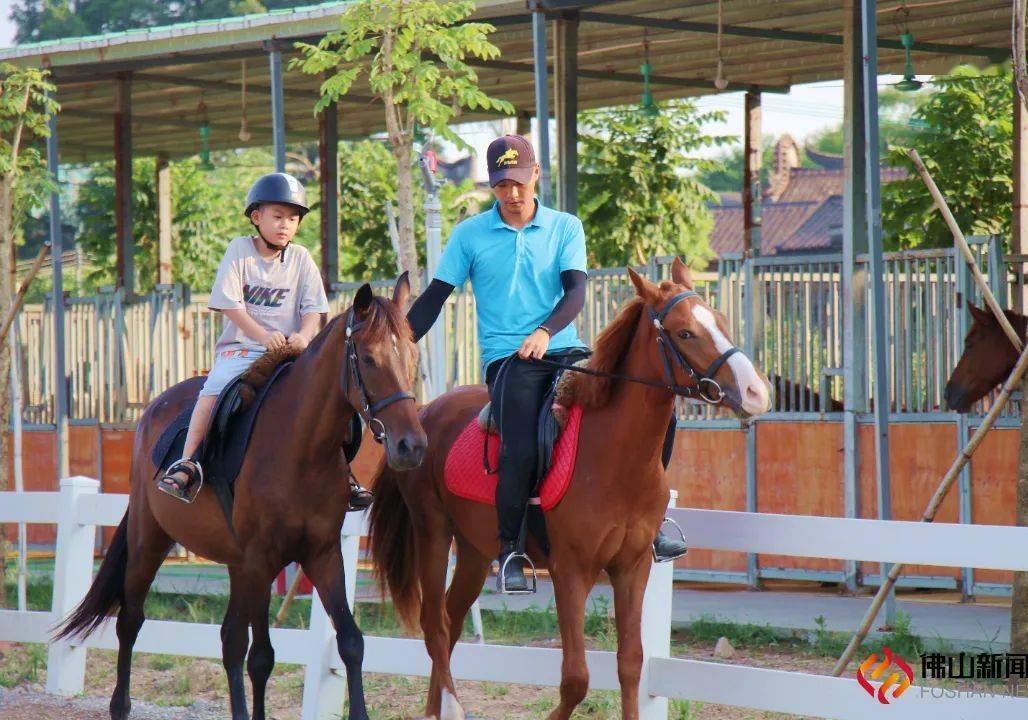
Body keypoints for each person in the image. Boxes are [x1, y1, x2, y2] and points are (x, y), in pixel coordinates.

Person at [407, 135, 687, 594]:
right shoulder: (470, 235)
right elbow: (436, 297)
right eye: (501, 186)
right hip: (508, 359)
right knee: (520, 442)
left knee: (659, 412)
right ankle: (510, 548)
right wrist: (401, 341)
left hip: (566, 350)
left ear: (536, 175)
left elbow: (575, 292)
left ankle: (653, 523)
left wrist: (545, 332)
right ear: (491, 186)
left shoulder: (565, 227)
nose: (512, 194)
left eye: (519, 182)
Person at [156, 172, 358, 504]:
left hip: (291, 353)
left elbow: (313, 311)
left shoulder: (302, 258)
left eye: (293, 219)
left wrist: (305, 337)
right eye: (277, 216)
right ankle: (188, 462)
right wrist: (263, 336)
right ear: (256, 216)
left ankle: (343, 472)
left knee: (330, 394)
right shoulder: (239, 251)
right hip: (242, 350)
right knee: (215, 386)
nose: (286, 225)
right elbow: (230, 305)